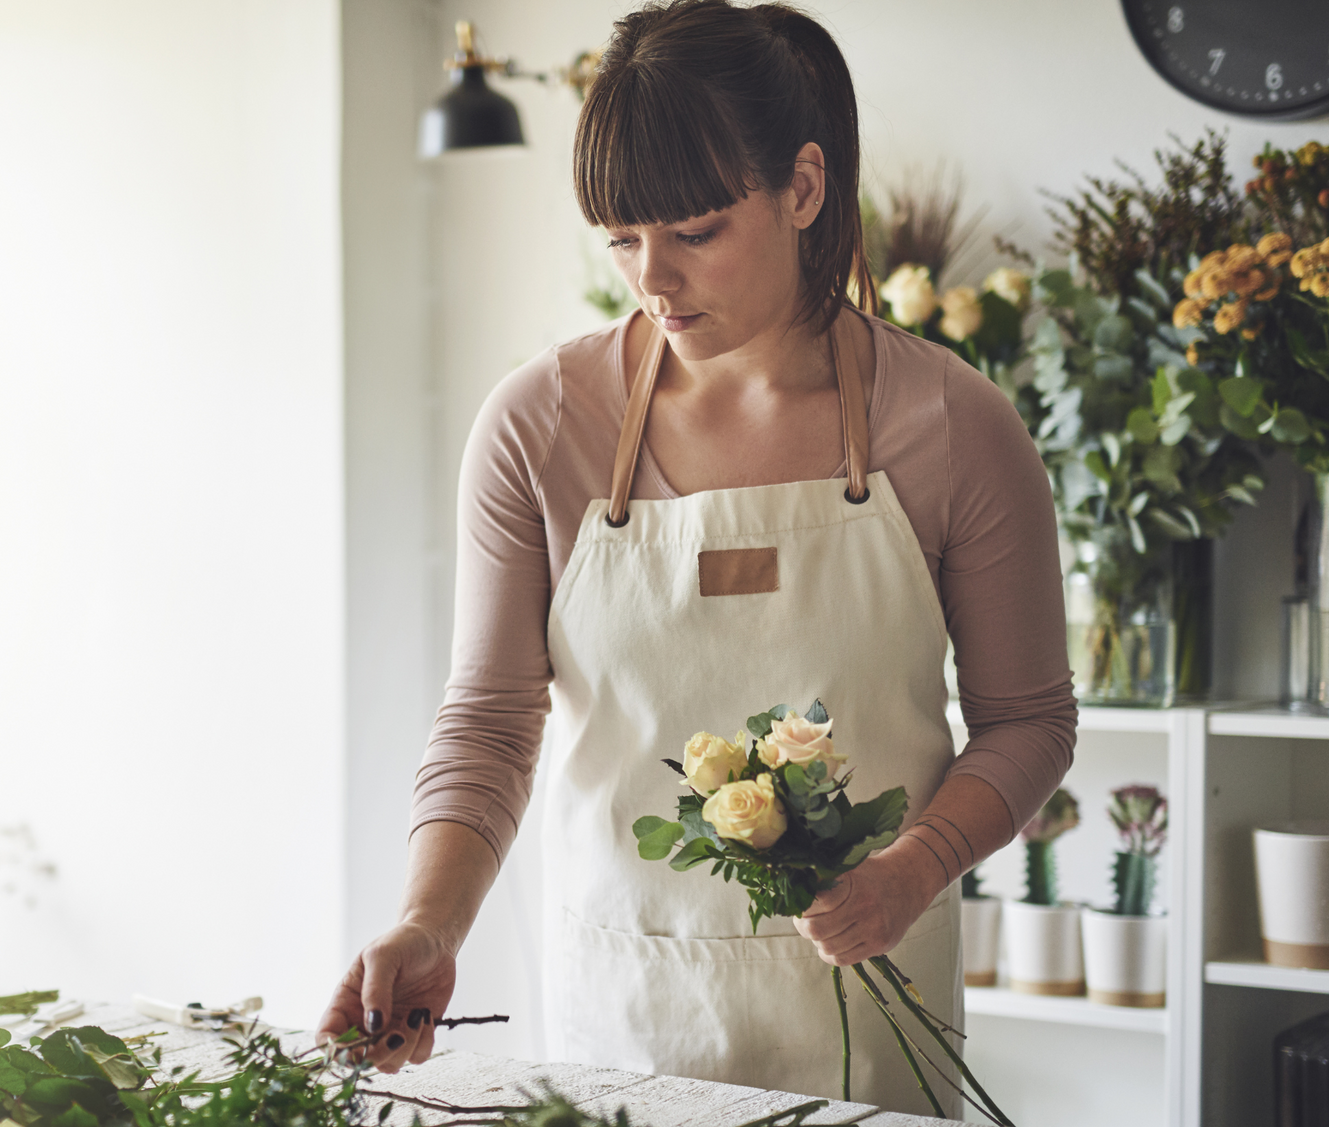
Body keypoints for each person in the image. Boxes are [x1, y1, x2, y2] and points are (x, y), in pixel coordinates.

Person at [318, 0, 1076, 1113]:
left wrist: (914, 867)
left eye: (695, 231)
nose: (652, 279)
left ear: (803, 188)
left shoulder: (953, 423)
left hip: (869, 1017)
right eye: (622, 238)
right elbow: (489, 716)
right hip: (622, 1012)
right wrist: (432, 920)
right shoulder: (542, 421)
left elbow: (1030, 721)